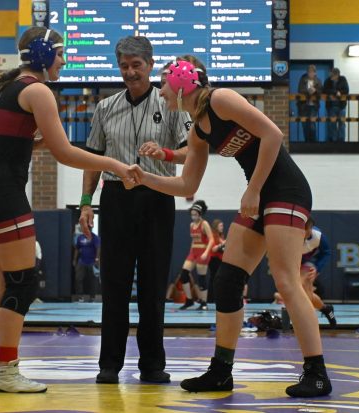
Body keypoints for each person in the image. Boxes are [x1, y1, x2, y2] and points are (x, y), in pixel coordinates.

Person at [131, 55, 332, 397]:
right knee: (226, 280)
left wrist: (253, 189)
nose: (161, 93)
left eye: (163, 84)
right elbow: (186, 186)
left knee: (285, 279)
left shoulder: (222, 98)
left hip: (285, 190)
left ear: (181, 83)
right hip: (260, 193)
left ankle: (316, 372)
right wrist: (143, 178)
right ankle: (221, 371)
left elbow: (272, 134)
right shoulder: (198, 131)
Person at [0, 26, 135, 394]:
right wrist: (115, 165)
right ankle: (7, 371)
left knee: (5, 282)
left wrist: (45, 142)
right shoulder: (38, 91)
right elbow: (65, 152)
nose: (64, 60)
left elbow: (18, 144)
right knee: (22, 283)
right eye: (59, 53)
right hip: (3, 193)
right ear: (42, 55)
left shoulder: (7, 90)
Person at [78, 36, 191, 385]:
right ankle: (108, 365)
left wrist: (166, 154)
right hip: (115, 198)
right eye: (124, 66)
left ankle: (152, 365)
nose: (129, 72)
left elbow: (193, 154)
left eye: (136, 65)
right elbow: (93, 159)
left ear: (150, 64)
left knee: (153, 287)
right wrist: (86, 203)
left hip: (157, 197)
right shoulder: (105, 107)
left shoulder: (172, 103)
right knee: (114, 286)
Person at [273, 217, 336, 327]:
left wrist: (317, 268)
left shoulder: (318, 236)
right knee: (296, 293)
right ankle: (326, 309)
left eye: (305, 231)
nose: (302, 234)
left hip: (306, 265)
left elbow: (326, 252)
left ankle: (304, 324)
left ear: (311, 229)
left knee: (302, 289)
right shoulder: (288, 236)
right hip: (291, 263)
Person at [178, 200, 214, 311]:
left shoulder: (205, 224)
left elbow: (211, 240)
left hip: (203, 252)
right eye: (192, 214)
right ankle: (189, 300)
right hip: (193, 252)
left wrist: (206, 253)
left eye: (195, 214)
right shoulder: (192, 225)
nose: (193, 217)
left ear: (200, 214)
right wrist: (190, 253)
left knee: (201, 279)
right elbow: (193, 241)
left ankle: (204, 303)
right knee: (183, 275)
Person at [323, 68, 349, 142]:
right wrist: (335, 92)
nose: (331, 77)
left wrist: (340, 92)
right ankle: (334, 141)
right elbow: (325, 90)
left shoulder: (343, 79)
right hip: (331, 106)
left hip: (341, 106)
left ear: (337, 75)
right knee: (332, 124)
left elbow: (346, 90)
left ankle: (341, 141)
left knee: (342, 124)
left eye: (332, 76)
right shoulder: (328, 81)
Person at [73, 229, 100, 301]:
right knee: (78, 278)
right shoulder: (80, 237)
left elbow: (98, 248)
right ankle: (80, 297)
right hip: (81, 261)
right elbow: (77, 249)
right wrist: (74, 260)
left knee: (92, 279)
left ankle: (92, 297)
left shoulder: (94, 237)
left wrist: (97, 259)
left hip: (92, 262)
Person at [297, 65, 322, 142]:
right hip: (303, 105)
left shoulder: (318, 81)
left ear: (315, 73)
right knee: (304, 125)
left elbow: (321, 91)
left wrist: (315, 91)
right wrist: (308, 91)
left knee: (312, 124)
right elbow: (300, 89)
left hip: (313, 105)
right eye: (309, 72)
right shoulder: (303, 79)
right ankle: (306, 142)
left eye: (312, 72)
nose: (310, 73)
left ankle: (313, 143)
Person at [208, 219, 226, 304]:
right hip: (214, 260)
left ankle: (216, 297)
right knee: (214, 279)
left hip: (220, 259)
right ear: (216, 227)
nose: (222, 227)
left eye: (222, 226)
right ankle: (211, 298)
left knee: (218, 279)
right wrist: (223, 244)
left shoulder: (221, 236)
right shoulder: (213, 236)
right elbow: (214, 249)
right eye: (221, 226)